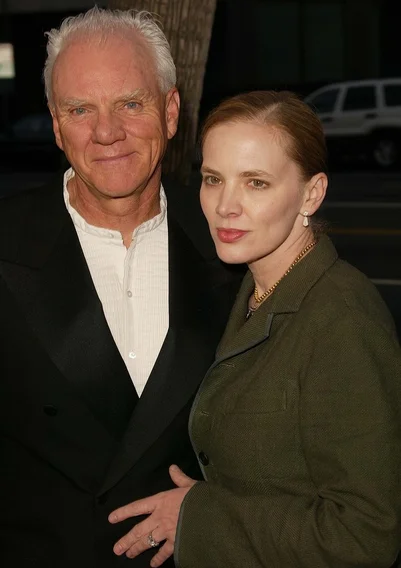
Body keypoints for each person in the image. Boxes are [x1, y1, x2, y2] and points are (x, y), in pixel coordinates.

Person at [109, 91, 401, 568]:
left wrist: (197, 517)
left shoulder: (342, 320)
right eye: (212, 179)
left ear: (312, 192)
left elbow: (365, 536)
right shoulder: (244, 289)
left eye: (257, 183)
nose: (226, 206)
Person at [0, 8, 241, 568]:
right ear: (57, 127)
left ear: (172, 111)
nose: (106, 132)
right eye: (80, 109)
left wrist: (219, 514)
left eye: (131, 103)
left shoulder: (234, 246)